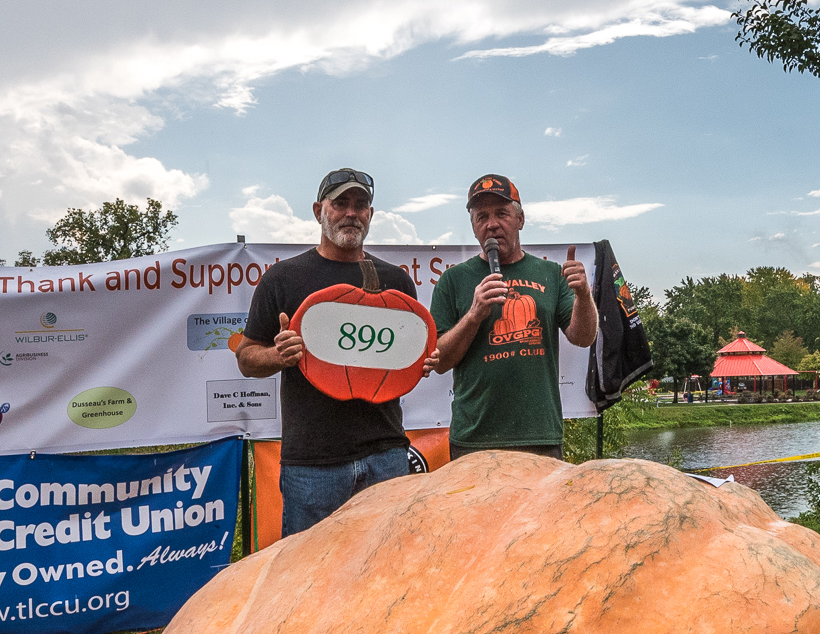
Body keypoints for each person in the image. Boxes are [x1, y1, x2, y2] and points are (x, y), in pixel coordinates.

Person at [236, 168, 420, 536]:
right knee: (308, 578)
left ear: (371, 214)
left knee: (386, 569)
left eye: (361, 204)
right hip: (313, 464)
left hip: (386, 454)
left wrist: (421, 359)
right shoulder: (283, 278)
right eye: (340, 204)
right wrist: (277, 355)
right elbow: (246, 357)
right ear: (319, 209)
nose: (351, 213)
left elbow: (409, 353)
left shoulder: (396, 282)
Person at [426, 174, 597, 458]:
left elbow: (583, 336)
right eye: (481, 217)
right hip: (474, 440)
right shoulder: (453, 280)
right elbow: (439, 361)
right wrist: (473, 315)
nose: (491, 224)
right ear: (473, 227)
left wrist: (583, 296)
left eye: (501, 213)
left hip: (539, 436)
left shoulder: (550, 274)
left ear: (520, 219)